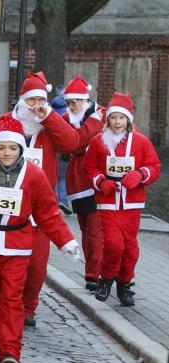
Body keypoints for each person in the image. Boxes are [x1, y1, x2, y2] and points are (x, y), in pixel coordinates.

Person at [0, 114, 79, 363]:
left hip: (18, 244)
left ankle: (10, 350)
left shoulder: (34, 175)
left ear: (21, 148)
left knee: (12, 297)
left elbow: (47, 212)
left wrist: (65, 240)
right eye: (1, 148)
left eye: (12, 148)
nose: (7, 153)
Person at [0, 71, 80, 328]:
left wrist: (49, 117)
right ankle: (5, 310)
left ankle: (28, 307)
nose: (35, 106)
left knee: (36, 267)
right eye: (31, 100)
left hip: (37, 206)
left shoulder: (49, 126)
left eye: (41, 100)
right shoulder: (2, 123)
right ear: (21, 101)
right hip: (0, 204)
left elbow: (72, 143)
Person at [84, 92, 161, 306]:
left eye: (121, 118)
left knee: (130, 248)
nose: (117, 122)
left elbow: (154, 167)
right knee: (113, 245)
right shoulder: (98, 141)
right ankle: (106, 278)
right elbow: (89, 168)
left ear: (128, 120)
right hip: (109, 201)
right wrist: (101, 182)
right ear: (107, 119)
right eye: (114, 118)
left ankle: (124, 284)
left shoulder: (141, 142)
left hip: (132, 203)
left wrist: (140, 175)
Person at [61, 76, 105, 292]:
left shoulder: (104, 115)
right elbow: (71, 142)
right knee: (86, 229)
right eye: (69, 103)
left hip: (98, 180)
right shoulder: (68, 117)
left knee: (96, 230)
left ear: (84, 99)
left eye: (75, 102)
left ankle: (96, 274)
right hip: (78, 181)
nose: (72, 106)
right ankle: (93, 272)